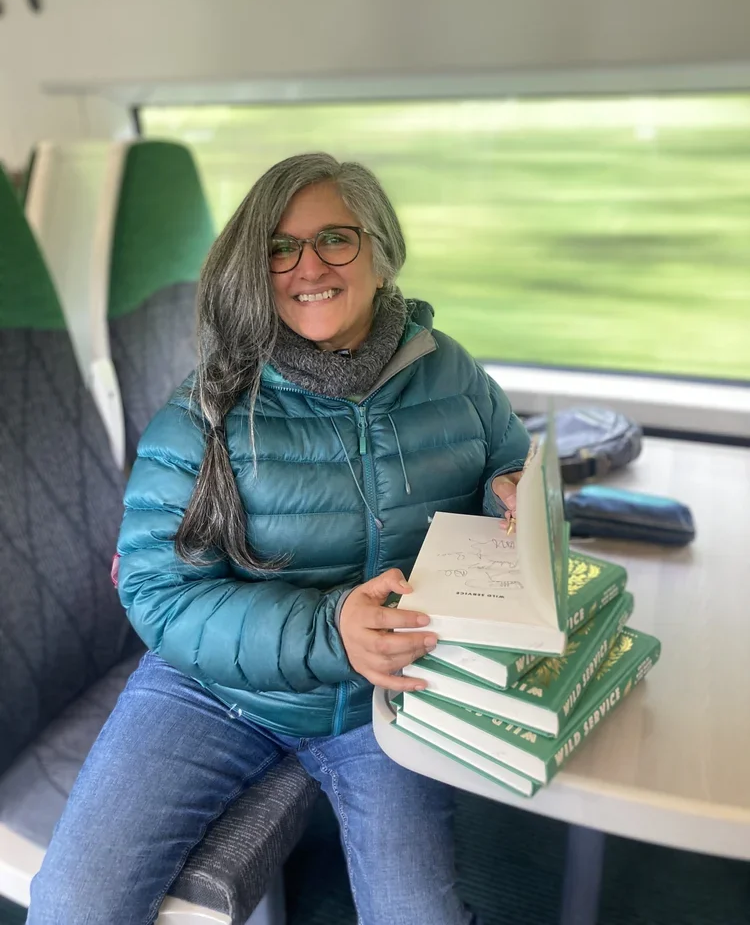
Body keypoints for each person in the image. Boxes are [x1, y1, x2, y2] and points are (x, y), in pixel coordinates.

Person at [28, 153, 529, 925]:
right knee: (71, 905)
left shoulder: (450, 373)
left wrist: (511, 490)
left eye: (335, 238)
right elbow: (158, 590)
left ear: (380, 248)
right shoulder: (207, 409)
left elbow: (504, 454)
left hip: (382, 700)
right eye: (280, 249)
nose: (308, 267)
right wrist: (332, 630)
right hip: (215, 690)